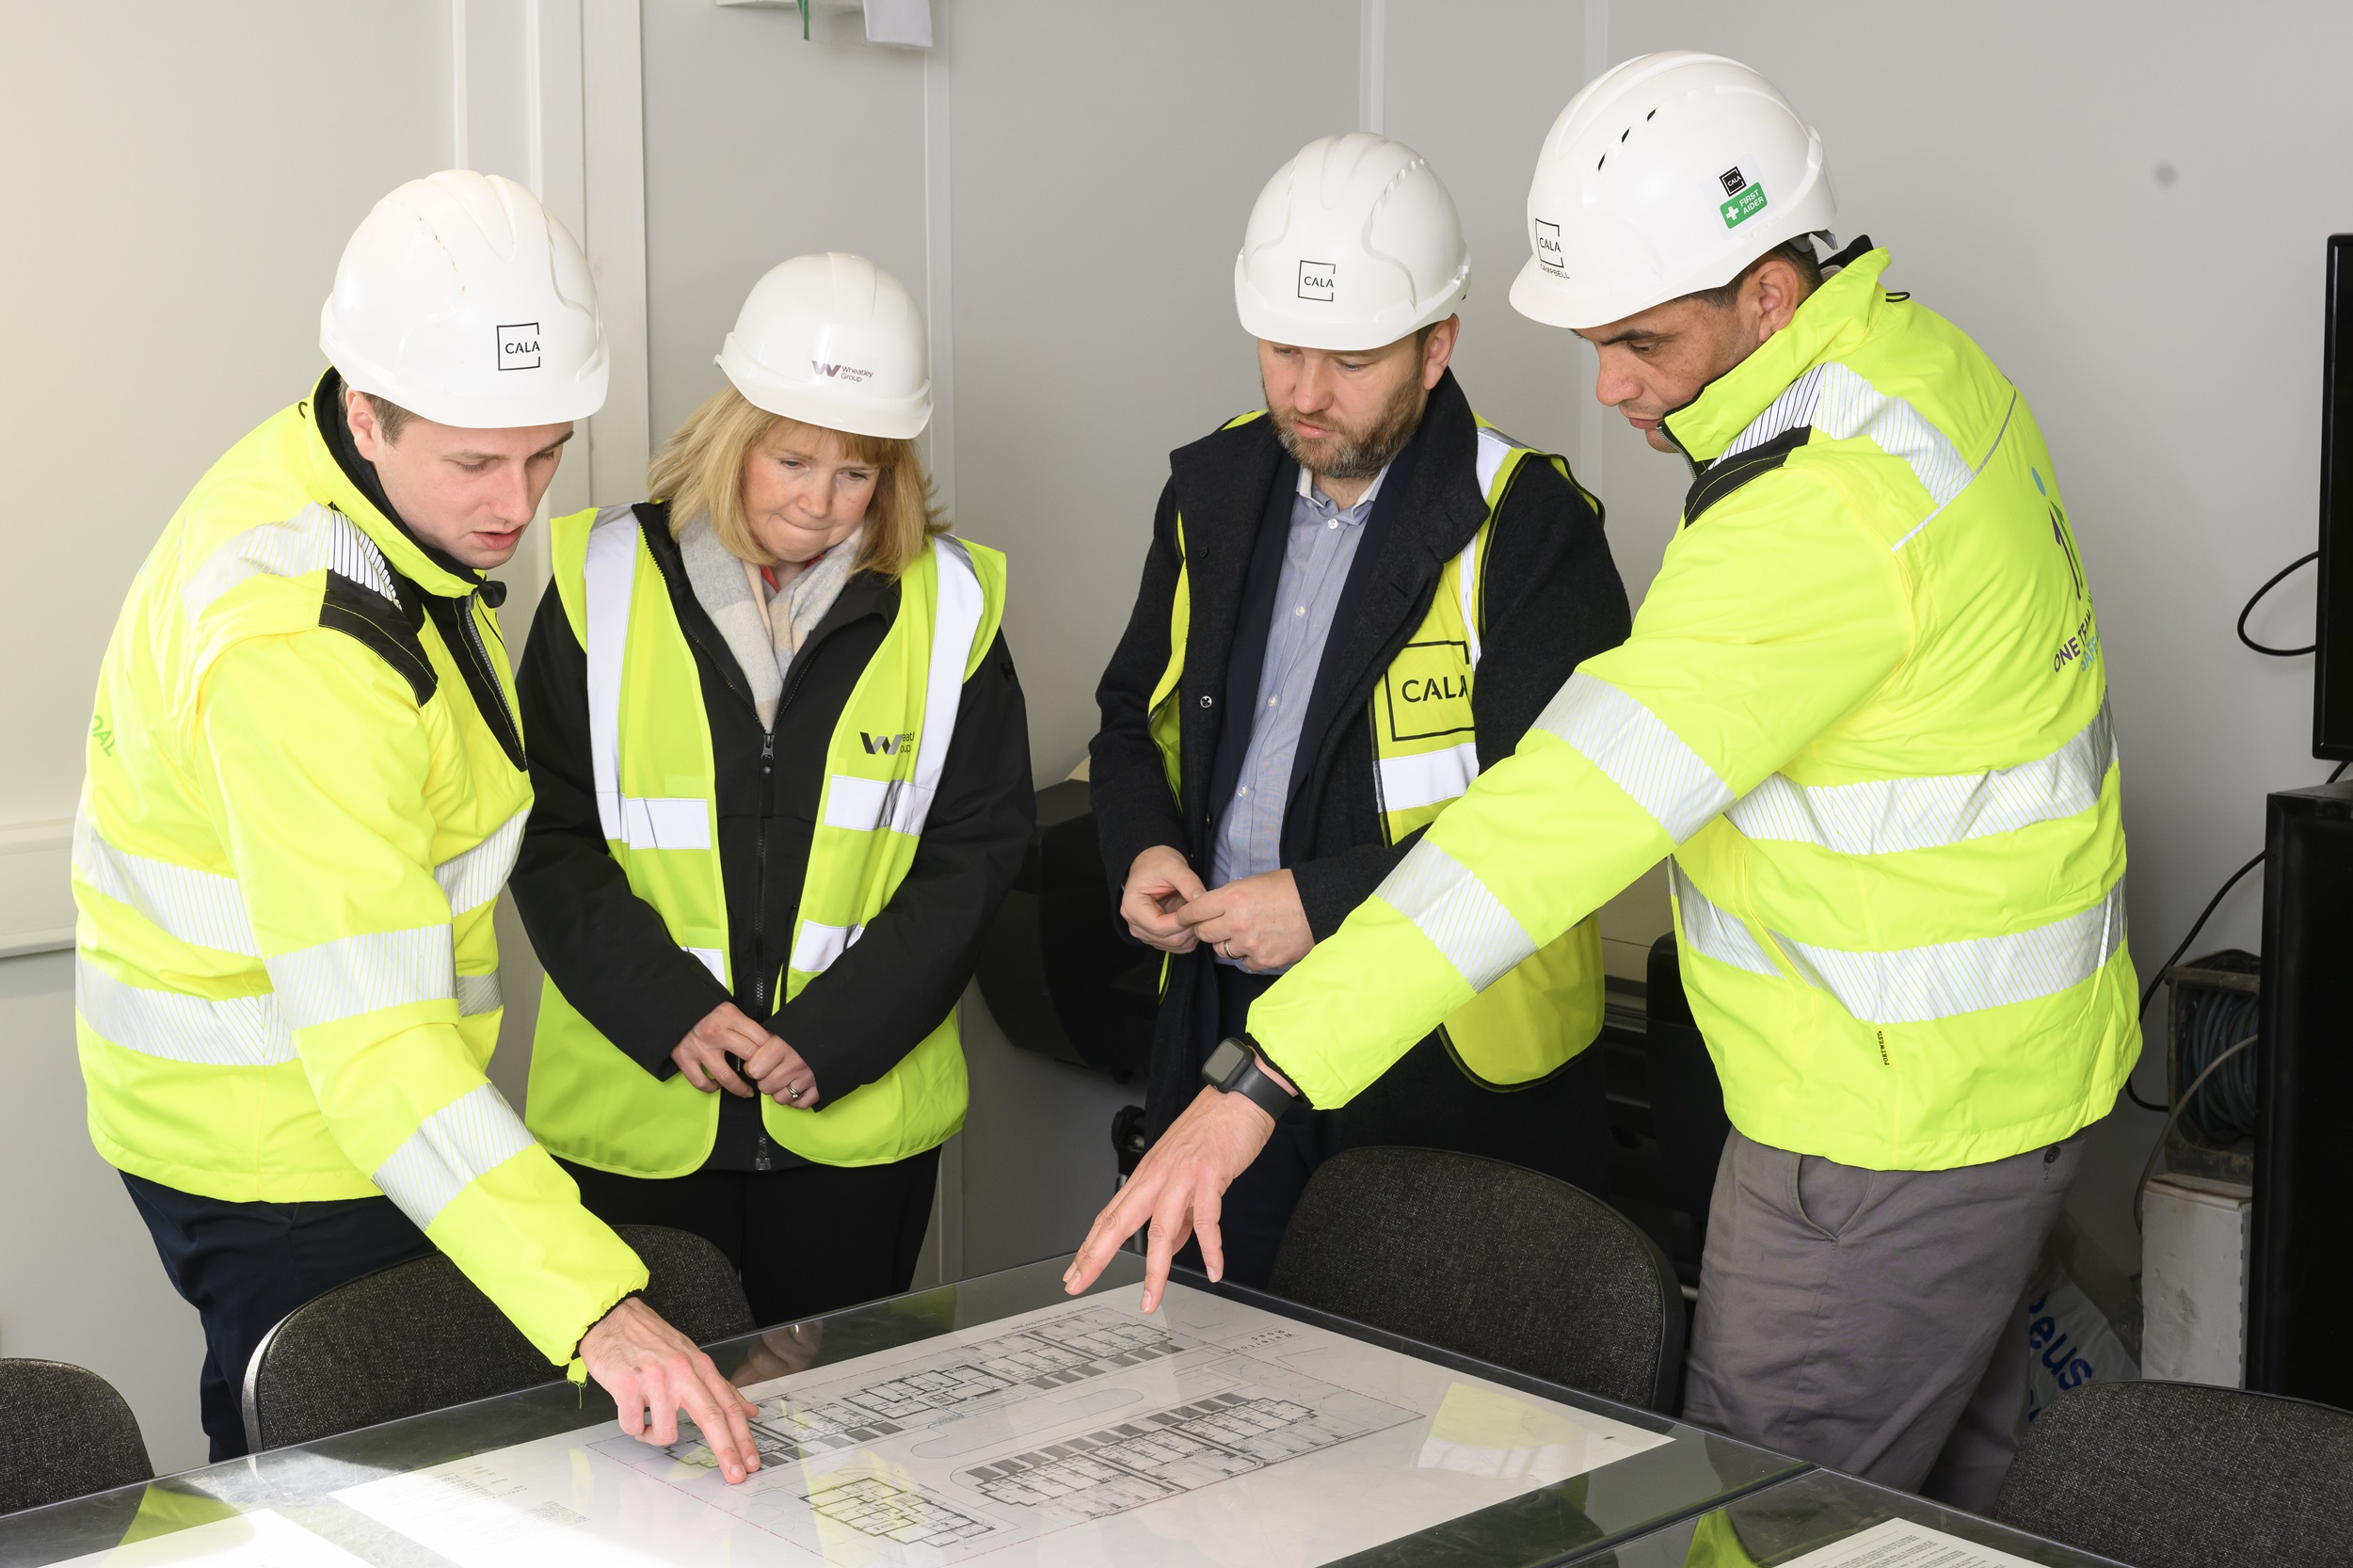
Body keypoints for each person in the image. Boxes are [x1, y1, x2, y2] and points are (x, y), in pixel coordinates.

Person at [1070, 54, 2135, 1514]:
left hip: (1878, 1125)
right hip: (2003, 1083)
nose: (1612, 386)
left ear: (1769, 289)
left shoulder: (1812, 512)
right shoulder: (1918, 369)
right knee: (1940, 1519)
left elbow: (1548, 825)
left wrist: (1269, 1067)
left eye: (1642, 338)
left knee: (1754, 1521)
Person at [74, 171, 760, 1480]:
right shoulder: (296, 647)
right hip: (279, 1130)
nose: (519, 503)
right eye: (476, 462)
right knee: (336, 1491)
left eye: (546, 451)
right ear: (364, 412)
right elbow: (375, 1038)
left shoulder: (341, 488)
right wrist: (598, 1307)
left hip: (309, 1097)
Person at [1089, 133, 1629, 1289]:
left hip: (1442, 1047)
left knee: (1417, 1408)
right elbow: (1131, 717)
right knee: (1213, 1360)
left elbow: (1562, 828)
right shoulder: (1213, 488)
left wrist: (1321, 905)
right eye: (1282, 349)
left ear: (1438, 346)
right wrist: (1141, 847)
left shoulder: (1528, 526)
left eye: (1350, 359)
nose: (1306, 392)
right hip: (1224, 1004)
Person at [507, 252, 1031, 1328]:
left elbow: (976, 852)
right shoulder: (598, 584)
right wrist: (673, 1012)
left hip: (850, 1123)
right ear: (734, 436)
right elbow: (549, 835)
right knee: (644, 1451)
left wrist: (830, 1036)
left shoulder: (952, 607)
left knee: (833, 1446)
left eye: (858, 473)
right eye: (793, 460)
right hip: (643, 1108)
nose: (820, 501)